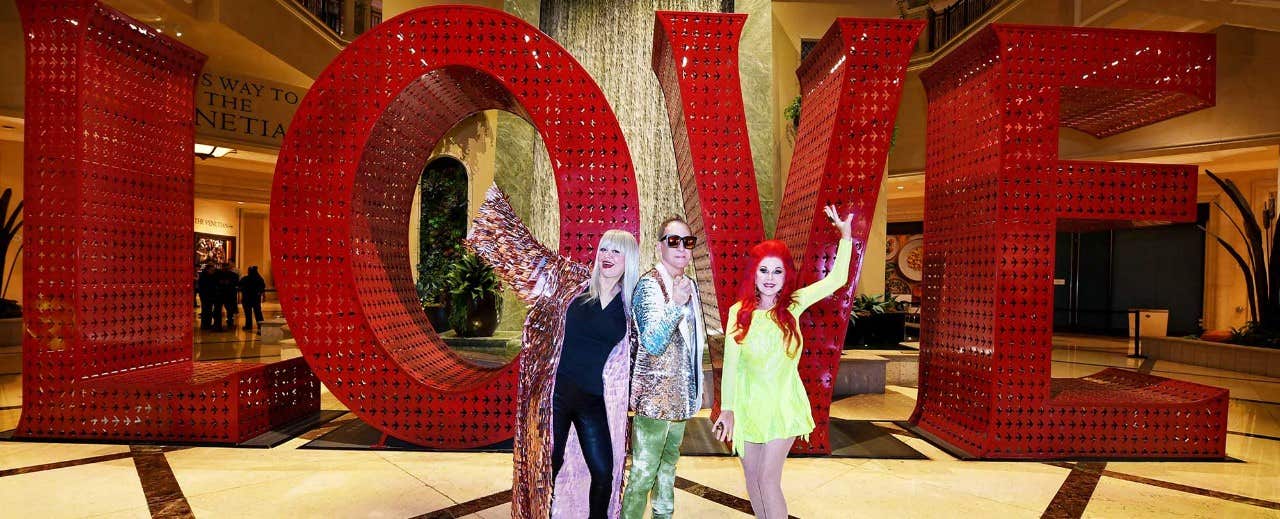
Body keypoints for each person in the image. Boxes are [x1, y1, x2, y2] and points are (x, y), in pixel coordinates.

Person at [467, 185, 638, 518]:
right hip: (555, 395)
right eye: (604, 249)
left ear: (628, 259)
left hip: (592, 401)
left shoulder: (630, 306)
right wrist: (497, 220)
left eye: (616, 252)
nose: (607, 256)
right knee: (547, 466)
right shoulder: (573, 282)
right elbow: (532, 257)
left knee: (604, 473)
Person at [712, 204, 856, 519]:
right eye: (764, 270)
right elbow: (732, 367)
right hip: (749, 406)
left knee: (767, 479)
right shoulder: (740, 311)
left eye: (777, 271)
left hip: (782, 403)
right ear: (754, 272)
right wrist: (729, 409)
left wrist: (845, 237)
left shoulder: (793, 305)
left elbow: (836, 280)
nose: (770, 277)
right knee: (752, 479)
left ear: (785, 275)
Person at [622, 216, 707, 519]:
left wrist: (696, 391)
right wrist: (676, 304)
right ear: (660, 246)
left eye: (688, 242)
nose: (682, 248)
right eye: (674, 241)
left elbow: (694, 346)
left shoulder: (689, 285)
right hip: (654, 401)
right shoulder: (648, 285)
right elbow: (653, 342)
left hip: (680, 399)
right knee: (643, 473)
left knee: (668, 471)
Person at [239, 266, 267, 332]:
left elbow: (239, 286)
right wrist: (263, 295)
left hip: (246, 298)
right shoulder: (259, 278)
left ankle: (248, 325)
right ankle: (260, 325)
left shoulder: (245, 279)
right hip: (256, 298)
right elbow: (262, 288)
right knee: (258, 312)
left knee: (248, 313)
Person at [214, 262, 239, 331]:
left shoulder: (218, 274)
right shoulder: (233, 275)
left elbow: (236, 283)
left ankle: (224, 323)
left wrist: (227, 283)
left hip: (225, 295)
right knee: (223, 310)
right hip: (224, 295)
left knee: (228, 310)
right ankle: (221, 323)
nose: (225, 268)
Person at [197, 263, 218, 330]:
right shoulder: (204, 276)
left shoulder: (210, 276)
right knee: (206, 310)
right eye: (212, 270)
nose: (213, 271)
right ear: (208, 269)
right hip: (205, 296)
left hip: (209, 295)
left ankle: (207, 324)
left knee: (208, 310)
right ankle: (205, 325)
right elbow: (204, 287)